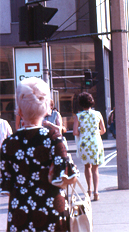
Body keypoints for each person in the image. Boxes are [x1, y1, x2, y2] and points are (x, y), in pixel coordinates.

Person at [1, 77, 78, 232]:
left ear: (19, 111)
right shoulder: (54, 139)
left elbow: (6, 183)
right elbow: (68, 175)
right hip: (52, 209)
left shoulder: (9, 144)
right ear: (47, 109)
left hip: (20, 212)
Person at [73, 92, 106, 201]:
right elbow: (103, 130)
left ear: (80, 103)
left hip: (84, 143)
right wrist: (95, 133)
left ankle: (89, 190)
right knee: (95, 168)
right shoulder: (98, 114)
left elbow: (74, 132)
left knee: (87, 167)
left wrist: (83, 132)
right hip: (96, 142)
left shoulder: (78, 116)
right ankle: (96, 192)